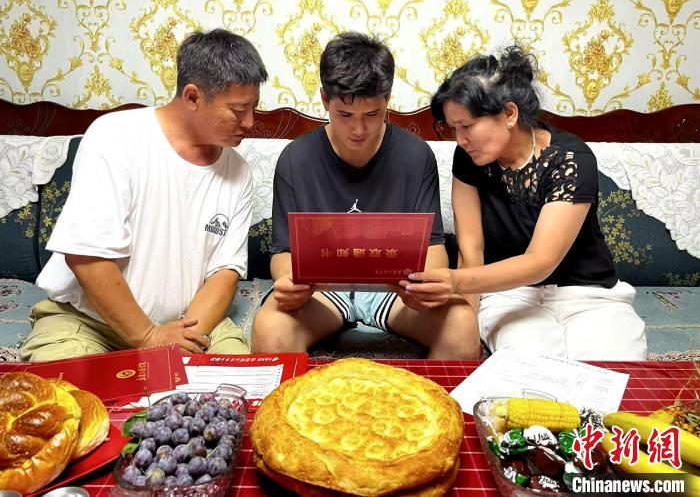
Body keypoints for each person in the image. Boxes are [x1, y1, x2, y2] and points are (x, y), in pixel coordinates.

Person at [21, 29, 268, 361]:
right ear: (193, 97)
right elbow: (86, 257)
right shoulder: (115, 137)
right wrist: (148, 336)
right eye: (238, 110)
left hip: (188, 322)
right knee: (68, 391)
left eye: (254, 108)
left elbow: (224, 271)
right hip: (90, 321)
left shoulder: (238, 171)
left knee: (240, 384)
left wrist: (182, 337)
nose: (250, 122)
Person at [400, 46, 647, 360]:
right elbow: (471, 250)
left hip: (588, 295)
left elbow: (541, 261)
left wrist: (455, 282)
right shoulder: (468, 159)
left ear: (509, 114)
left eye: (467, 126)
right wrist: (466, 327)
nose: (460, 140)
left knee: (613, 368)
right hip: (508, 295)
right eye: (453, 129)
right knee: (528, 370)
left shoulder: (571, 159)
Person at [252, 32, 479, 359]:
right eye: (345, 116)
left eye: (372, 115)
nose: (358, 130)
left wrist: (422, 287)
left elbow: (433, 248)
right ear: (324, 99)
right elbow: (283, 251)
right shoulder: (295, 159)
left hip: (395, 292)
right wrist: (290, 283)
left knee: (461, 323)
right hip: (323, 292)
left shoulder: (416, 156)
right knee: (270, 327)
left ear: (387, 100)